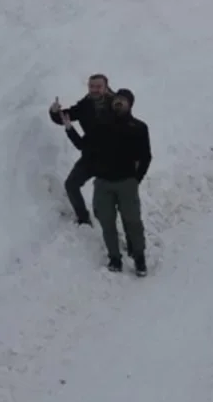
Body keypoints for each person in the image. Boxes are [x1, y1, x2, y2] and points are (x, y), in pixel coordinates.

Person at [62, 88, 152, 276]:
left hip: (126, 182)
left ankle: (139, 258)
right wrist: (69, 128)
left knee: (133, 221)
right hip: (103, 183)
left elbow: (146, 157)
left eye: (123, 100)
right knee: (106, 222)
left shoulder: (139, 127)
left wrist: (136, 179)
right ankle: (114, 258)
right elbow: (83, 146)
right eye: (116, 99)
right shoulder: (100, 125)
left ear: (130, 104)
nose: (118, 102)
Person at [48, 74, 115, 225]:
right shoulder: (85, 105)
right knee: (71, 185)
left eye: (98, 86)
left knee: (107, 200)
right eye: (92, 86)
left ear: (106, 87)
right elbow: (65, 117)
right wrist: (54, 111)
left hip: (112, 159)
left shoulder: (115, 105)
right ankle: (84, 220)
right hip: (91, 157)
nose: (95, 90)